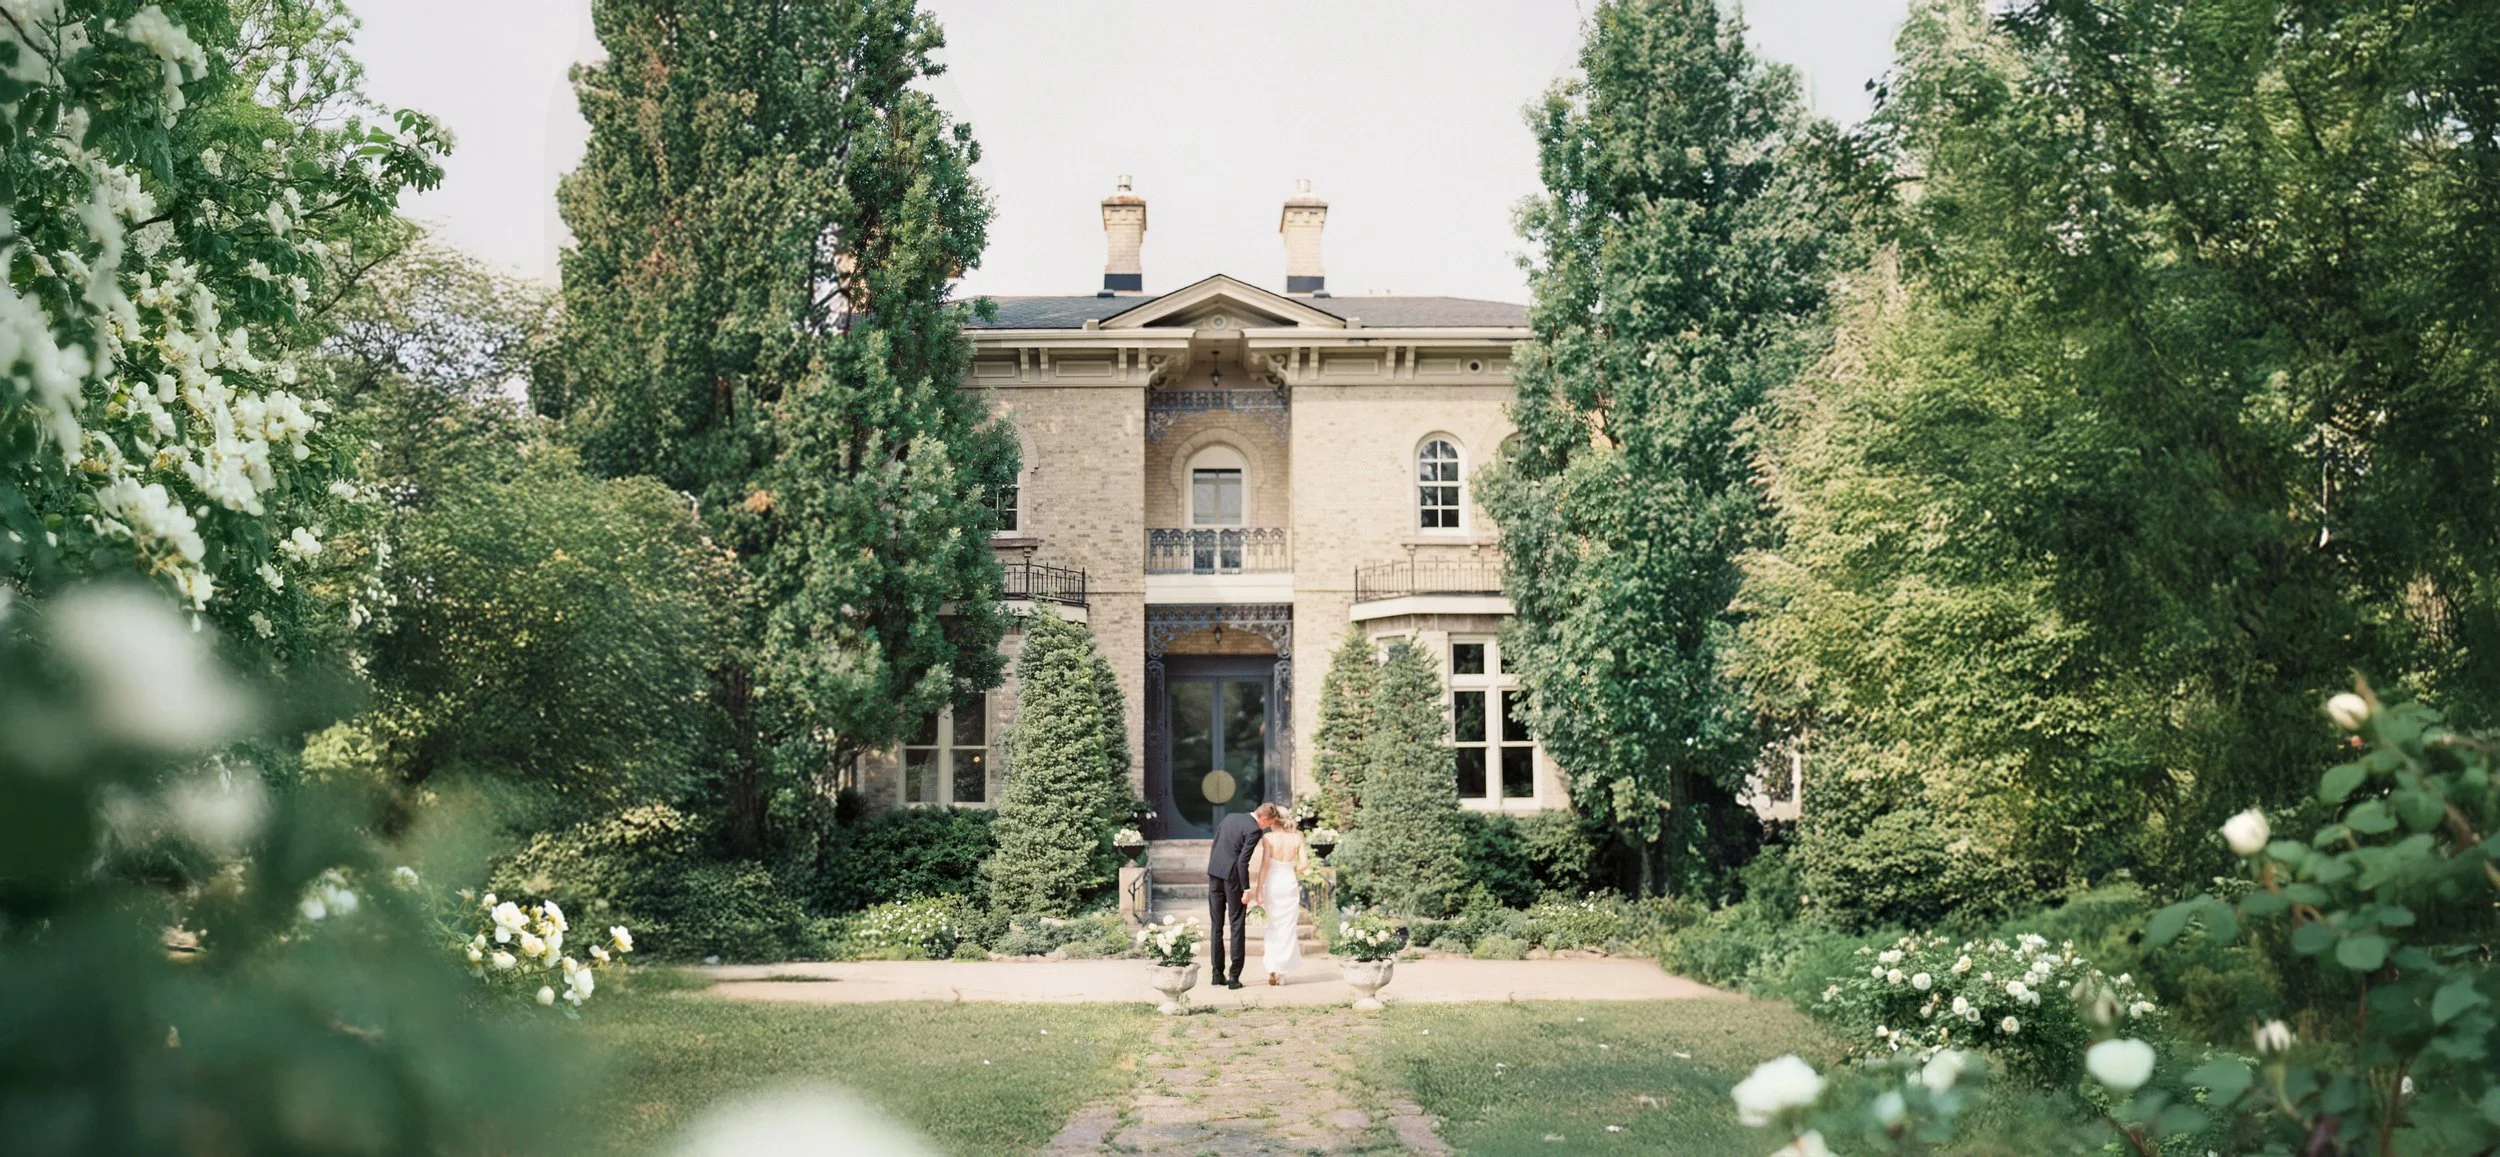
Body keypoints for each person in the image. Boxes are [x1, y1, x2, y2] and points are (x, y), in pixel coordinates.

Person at [1203, 805, 1271, 989]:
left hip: (1215, 873)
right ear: (1264, 819)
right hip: (1233, 878)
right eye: (1268, 824)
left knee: (1216, 926)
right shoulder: (1254, 830)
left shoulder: (1229, 817)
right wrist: (1246, 888)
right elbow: (1243, 861)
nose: (1266, 828)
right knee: (1236, 925)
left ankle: (1216, 974)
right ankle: (1234, 977)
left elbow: (1216, 844)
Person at [1244, 802, 1304, 985]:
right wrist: (1290, 868)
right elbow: (1304, 865)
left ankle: (1272, 967)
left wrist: (1259, 891)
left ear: (1275, 820)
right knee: (1287, 927)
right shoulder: (1297, 838)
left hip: (1273, 883)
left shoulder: (1268, 838)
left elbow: (1264, 866)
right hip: (1289, 882)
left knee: (1272, 925)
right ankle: (1282, 973)